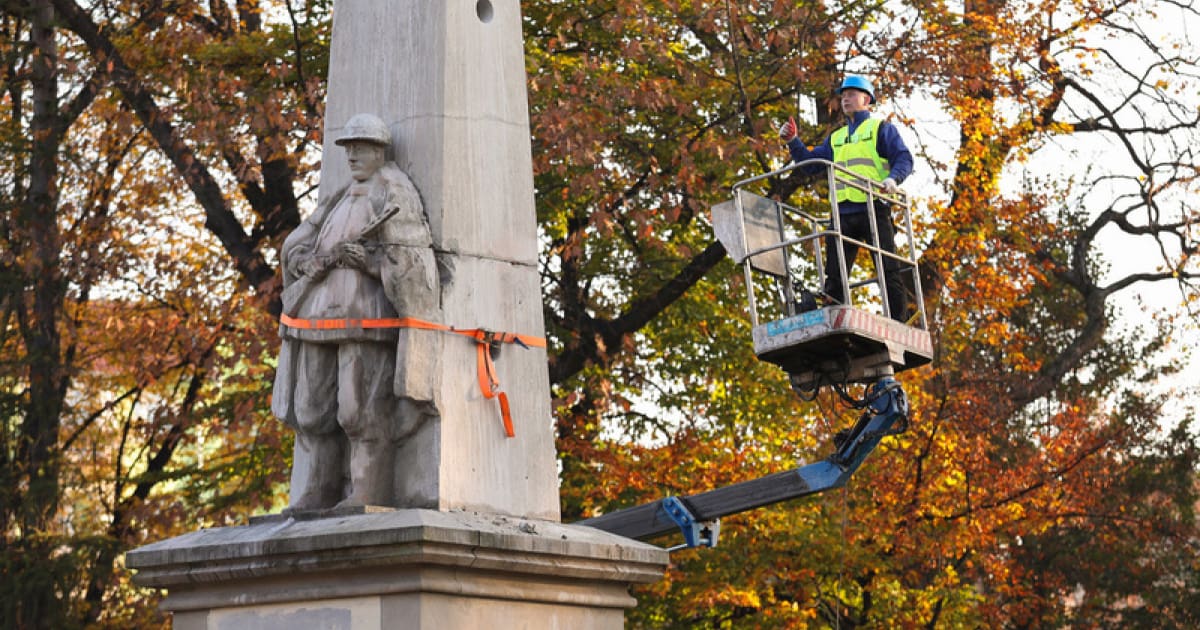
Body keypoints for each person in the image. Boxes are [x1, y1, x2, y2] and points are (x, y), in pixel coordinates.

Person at [271, 113, 440, 510]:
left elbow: (410, 262)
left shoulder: (394, 193)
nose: (352, 156)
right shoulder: (338, 195)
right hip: (315, 317)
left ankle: (367, 489)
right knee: (311, 408)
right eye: (348, 148)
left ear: (380, 151)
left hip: (367, 318)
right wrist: (307, 260)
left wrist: (366, 261)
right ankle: (318, 488)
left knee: (358, 409)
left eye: (361, 148)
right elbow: (300, 243)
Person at [778, 75, 914, 322]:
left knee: (887, 268)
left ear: (867, 99)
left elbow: (904, 158)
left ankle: (898, 321)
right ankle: (834, 317)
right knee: (835, 275)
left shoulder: (880, 129)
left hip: (874, 207)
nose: (845, 99)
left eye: (851, 94)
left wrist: (893, 179)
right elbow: (811, 165)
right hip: (843, 213)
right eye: (843, 95)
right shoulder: (837, 137)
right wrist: (793, 142)